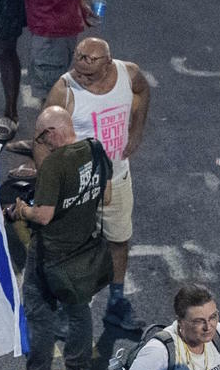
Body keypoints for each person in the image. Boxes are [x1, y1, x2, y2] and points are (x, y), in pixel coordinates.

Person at [43, 34, 150, 338]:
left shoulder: (128, 75)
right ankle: (68, 308)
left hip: (116, 178)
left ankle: (116, 303)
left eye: (90, 61)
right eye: (78, 58)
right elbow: (44, 137)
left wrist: (137, 130)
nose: (81, 66)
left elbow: (143, 91)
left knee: (119, 241)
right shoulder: (64, 90)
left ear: (108, 62)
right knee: (76, 250)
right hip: (79, 189)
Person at [5, 106, 110, 370]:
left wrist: (23, 210)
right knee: (79, 310)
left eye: (39, 138)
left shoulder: (54, 165)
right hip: (84, 247)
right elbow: (109, 194)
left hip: (50, 253)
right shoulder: (94, 149)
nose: (38, 144)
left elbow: (44, 216)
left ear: (51, 134)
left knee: (40, 316)